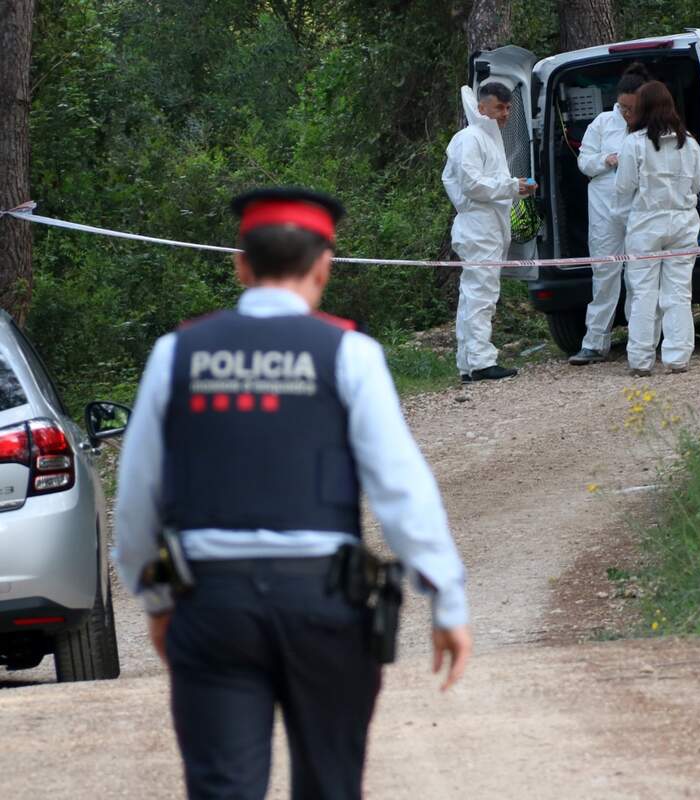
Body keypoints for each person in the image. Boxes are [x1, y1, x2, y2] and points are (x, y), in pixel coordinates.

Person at [113, 188, 472, 800]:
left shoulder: (177, 354)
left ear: (241, 265)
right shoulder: (349, 355)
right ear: (324, 266)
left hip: (211, 604)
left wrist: (154, 600)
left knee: (223, 789)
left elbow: (137, 496)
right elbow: (402, 489)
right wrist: (446, 598)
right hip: (323, 606)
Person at [442, 82, 537, 382]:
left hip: (489, 228)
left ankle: (469, 362)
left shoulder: (490, 141)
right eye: (499, 107)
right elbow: (471, 185)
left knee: (474, 295)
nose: (505, 113)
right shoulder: (469, 139)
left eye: (508, 108)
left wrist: (518, 189)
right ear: (482, 108)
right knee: (480, 295)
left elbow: (490, 186)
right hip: (478, 228)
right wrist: (511, 186)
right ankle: (481, 361)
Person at [614, 81, 700, 377]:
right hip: (682, 222)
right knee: (678, 292)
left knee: (643, 293)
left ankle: (641, 360)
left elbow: (623, 186)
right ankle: (678, 357)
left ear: (641, 108)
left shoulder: (634, 143)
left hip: (646, 223)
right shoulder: (688, 142)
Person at [568, 63, 651, 366]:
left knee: (639, 274)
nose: (628, 112)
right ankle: (595, 341)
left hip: (638, 207)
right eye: (623, 106)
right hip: (604, 207)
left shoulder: (650, 125)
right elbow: (584, 162)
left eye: (633, 107)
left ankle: (640, 340)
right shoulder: (603, 123)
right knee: (604, 273)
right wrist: (607, 159)